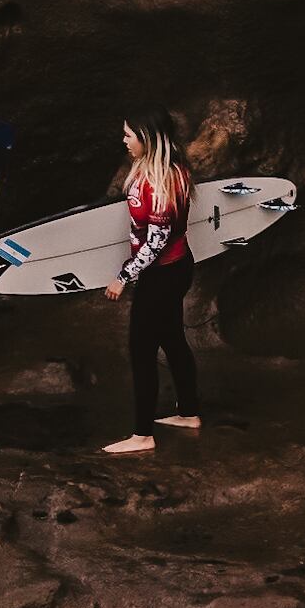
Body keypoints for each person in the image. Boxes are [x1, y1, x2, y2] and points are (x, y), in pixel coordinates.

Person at [102, 108, 199, 454]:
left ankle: (142, 435)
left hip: (162, 275)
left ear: (149, 138)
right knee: (172, 338)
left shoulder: (157, 183)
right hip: (178, 267)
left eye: (129, 135)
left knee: (141, 351)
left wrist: (123, 276)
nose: (124, 140)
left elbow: (156, 242)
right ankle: (189, 413)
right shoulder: (176, 170)